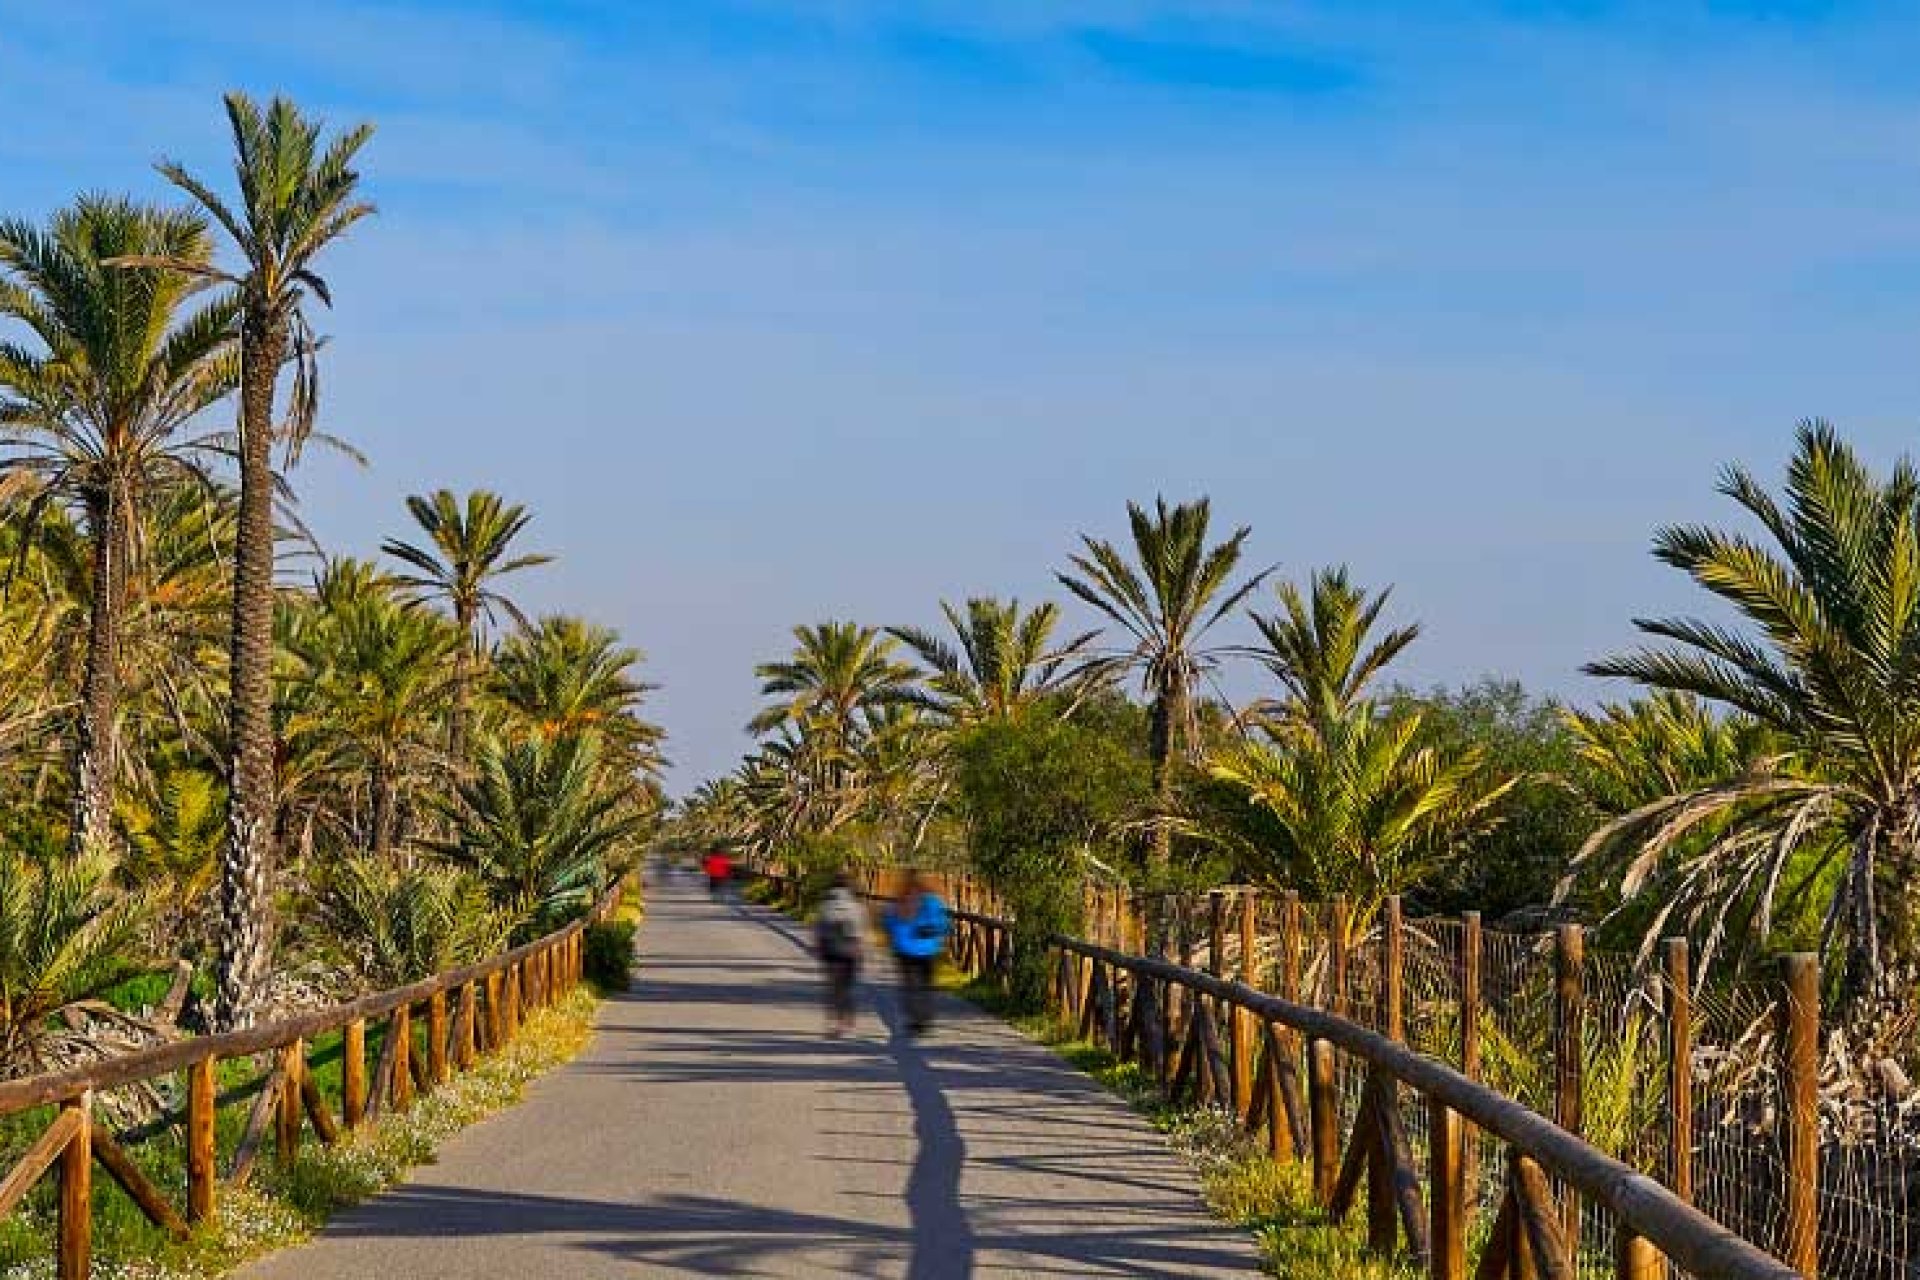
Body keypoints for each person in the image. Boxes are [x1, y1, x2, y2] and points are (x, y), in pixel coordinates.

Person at [884, 872, 950, 1035]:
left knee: (910, 986)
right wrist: (939, 936)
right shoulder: (933, 901)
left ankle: (915, 1019)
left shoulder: (900, 900)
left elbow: (889, 922)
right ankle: (925, 1018)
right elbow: (944, 923)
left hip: (904, 949)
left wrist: (893, 938)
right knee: (926, 985)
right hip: (928, 949)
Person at [813, 871, 867, 1037]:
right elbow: (860, 932)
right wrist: (860, 953)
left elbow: (819, 929)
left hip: (830, 950)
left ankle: (833, 1022)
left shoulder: (825, 905)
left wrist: (818, 947)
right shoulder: (856, 906)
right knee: (846, 987)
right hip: (850, 950)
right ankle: (846, 1019)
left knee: (833, 987)